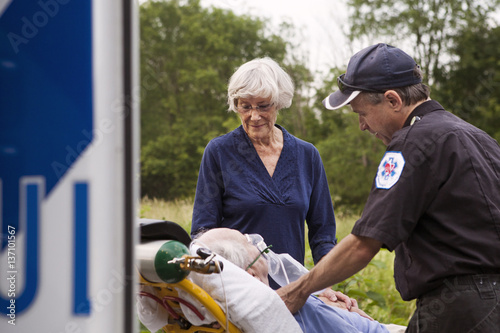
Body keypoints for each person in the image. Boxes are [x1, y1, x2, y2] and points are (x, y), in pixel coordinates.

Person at [277, 43, 500, 332]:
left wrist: (297, 291)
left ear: (393, 100)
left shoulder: (411, 142)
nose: (362, 126)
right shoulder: (480, 138)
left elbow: (363, 244)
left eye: (362, 113)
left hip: (460, 311)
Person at [191, 58, 337, 280]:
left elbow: (323, 236)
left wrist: (326, 285)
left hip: (292, 292)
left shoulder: (307, 156)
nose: (254, 116)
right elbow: (202, 233)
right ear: (235, 104)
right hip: (237, 291)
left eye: (263, 106)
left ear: (278, 102)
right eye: (245, 106)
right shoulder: (220, 152)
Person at [194, 228, 406, 333]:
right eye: (248, 242)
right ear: (250, 275)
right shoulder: (295, 306)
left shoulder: (291, 301)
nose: (259, 244)